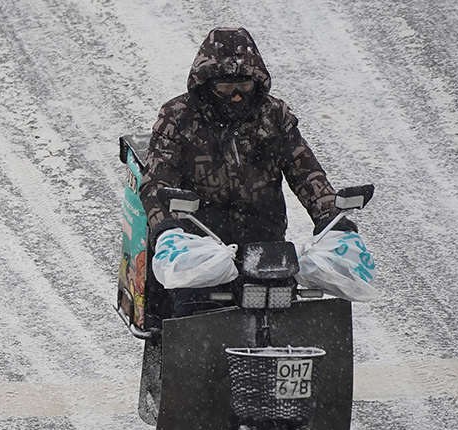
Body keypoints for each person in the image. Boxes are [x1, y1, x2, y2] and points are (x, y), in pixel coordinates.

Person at [139, 27, 355, 322]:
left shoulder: (274, 115)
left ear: (257, 81)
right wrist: (167, 228)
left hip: (265, 242)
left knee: (290, 318)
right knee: (193, 318)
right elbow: (155, 181)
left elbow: (306, 173)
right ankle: (189, 365)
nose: (237, 97)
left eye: (244, 86)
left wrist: (331, 216)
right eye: (227, 89)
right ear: (206, 84)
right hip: (201, 245)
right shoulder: (177, 117)